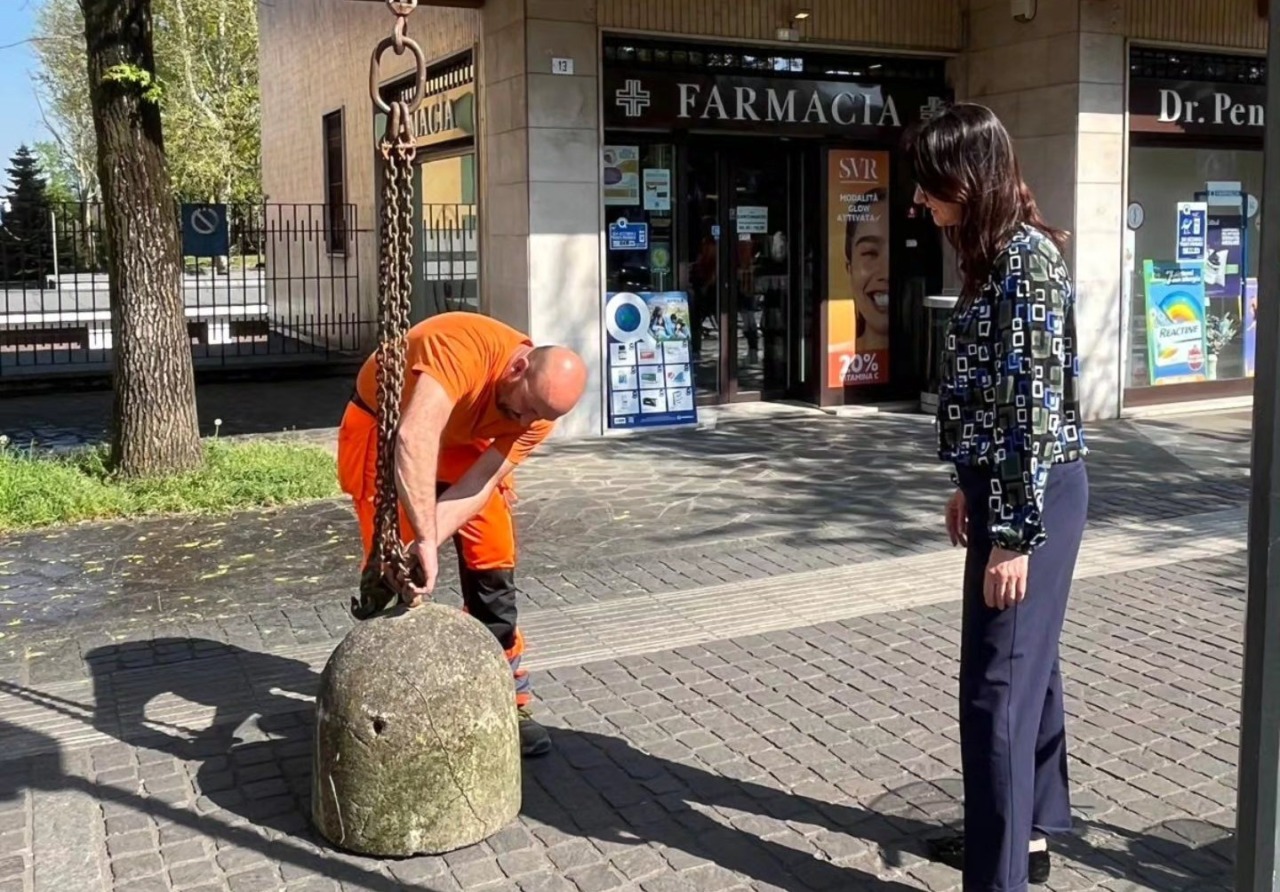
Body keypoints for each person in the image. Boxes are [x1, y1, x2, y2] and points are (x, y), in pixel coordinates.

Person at [909, 103, 1089, 891]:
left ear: (967, 179)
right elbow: (992, 397)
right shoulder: (997, 255)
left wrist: (1013, 531)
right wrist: (966, 483)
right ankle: (1032, 836)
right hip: (1007, 486)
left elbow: (1033, 407)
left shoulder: (1027, 263)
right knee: (1028, 670)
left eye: (929, 186)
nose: (920, 203)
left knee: (996, 691)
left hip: (1033, 495)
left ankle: (999, 878)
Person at [336, 312, 588, 758]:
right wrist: (420, 544)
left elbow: (480, 483)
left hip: (465, 444)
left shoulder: (538, 414)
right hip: (386, 427)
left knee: (494, 572)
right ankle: (388, 708)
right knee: (394, 574)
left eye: (539, 416)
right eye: (525, 406)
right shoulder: (463, 345)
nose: (528, 420)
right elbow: (415, 436)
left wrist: (428, 540)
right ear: (517, 368)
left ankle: (506, 699)